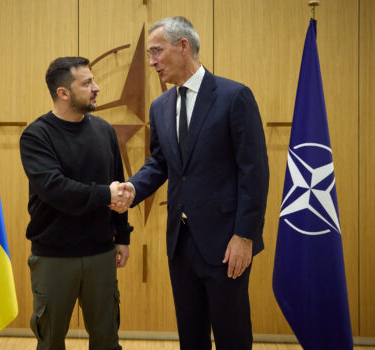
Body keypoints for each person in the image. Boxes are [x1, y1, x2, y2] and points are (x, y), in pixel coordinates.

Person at [111, 17, 269, 349]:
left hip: (227, 242)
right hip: (180, 243)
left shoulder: (234, 96)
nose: (152, 61)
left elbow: (254, 173)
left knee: (232, 334)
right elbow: (162, 162)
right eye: (150, 54)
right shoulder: (160, 105)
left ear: (183, 46)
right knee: (190, 336)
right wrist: (134, 188)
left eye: (156, 51)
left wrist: (245, 236)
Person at [20, 56, 133, 350]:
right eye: (87, 83)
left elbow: (117, 184)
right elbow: (55, 189)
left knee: (107, 339)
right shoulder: (36, 135)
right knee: (51, 341)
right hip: (54, 256)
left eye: (93, 80)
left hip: (100, 252)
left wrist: (122, 235)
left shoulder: (105, 131)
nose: (97, 87)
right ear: (63, 92)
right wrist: (105, 195)